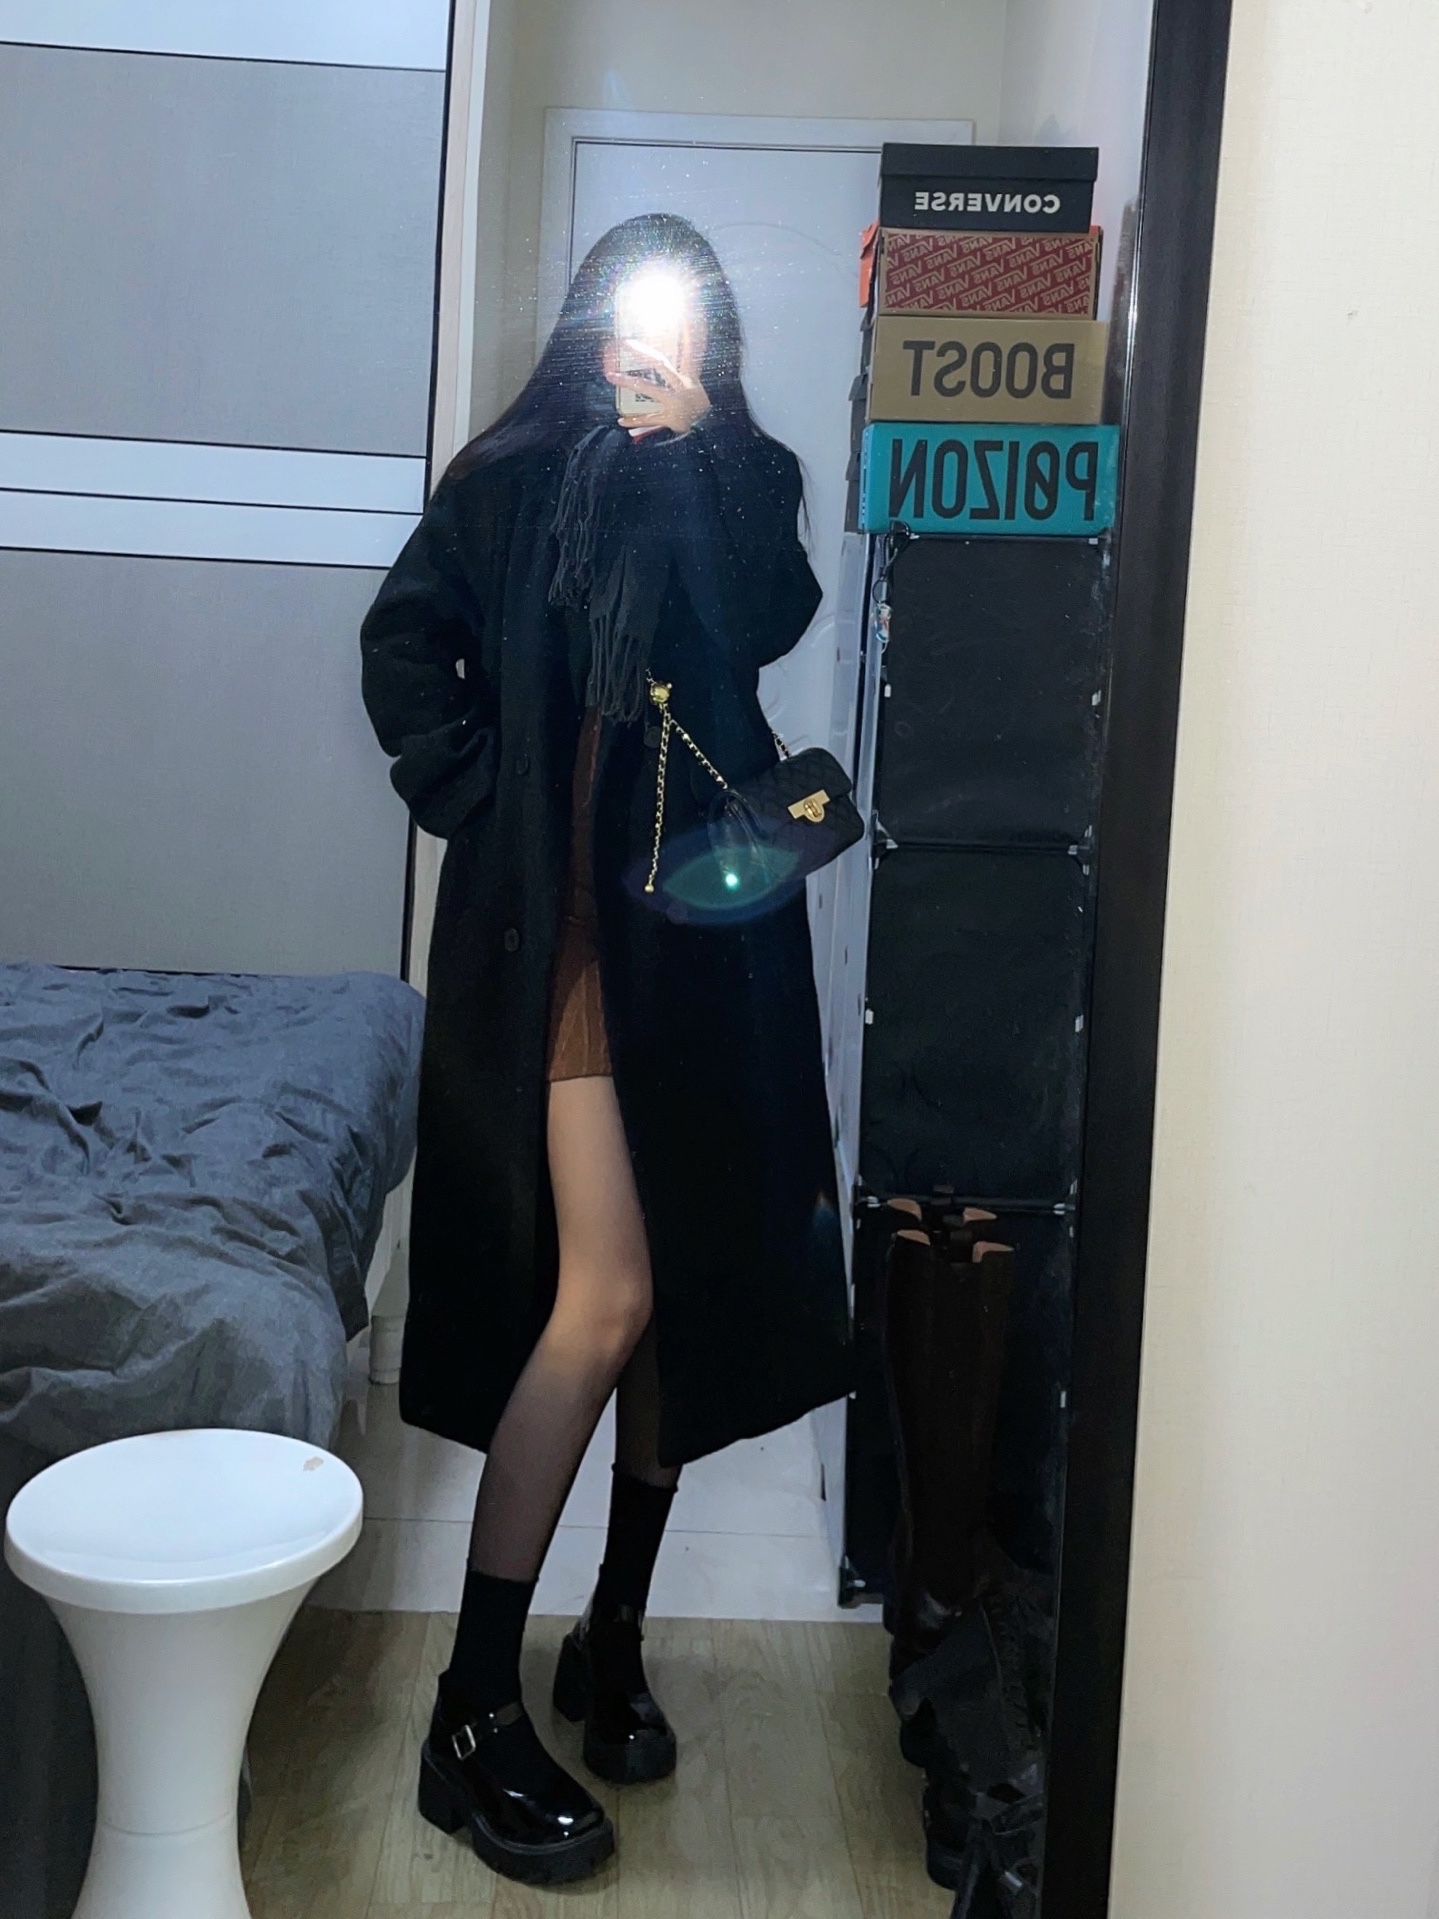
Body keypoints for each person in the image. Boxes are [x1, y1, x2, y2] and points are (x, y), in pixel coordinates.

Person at [360, 211, 853, 1886]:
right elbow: (403, 647)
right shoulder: (507, 480)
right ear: (592, 322)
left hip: (703, 943)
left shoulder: (742, 475)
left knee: (683, 1285)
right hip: (561, 937)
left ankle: (613, 1634)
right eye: (644, 315)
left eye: (693, 318)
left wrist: (700, 446)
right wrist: (478, 798)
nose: (664, 339)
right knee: (607, 1292)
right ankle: (469, 1707)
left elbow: (768, 621)